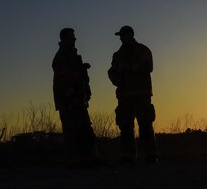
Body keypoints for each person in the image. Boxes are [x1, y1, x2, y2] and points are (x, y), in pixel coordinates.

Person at [108, 25, 158, 163]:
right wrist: (117, 79)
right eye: (120, 37)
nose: (121, 39)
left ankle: (151, 156)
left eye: (123, 36)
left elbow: (149, 67)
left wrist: (130, 68)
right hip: (124, 96)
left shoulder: (143, 50)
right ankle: (127, 157)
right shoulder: (117, 55)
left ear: (130, 35)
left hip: (142, 95)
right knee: (125, 126)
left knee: (145, 124)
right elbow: (111, 72)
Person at [52, 27, 100, 166]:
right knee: (72, 131)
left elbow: (80, 78)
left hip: (79, 99)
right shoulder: (61, 56)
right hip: (69, 101)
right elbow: (63, 79)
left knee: (85, 129)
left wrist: (85, 91)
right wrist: (71, 96)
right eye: (72, 36)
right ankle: (74, 161)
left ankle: (90, 159)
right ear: (65, 38)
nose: (75, 39)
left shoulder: (73, 56)